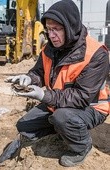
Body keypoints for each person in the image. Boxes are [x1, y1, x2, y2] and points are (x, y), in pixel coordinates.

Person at [6, 0, 109, 167]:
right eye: (48, 29)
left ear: (71, 26)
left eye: (56, 29)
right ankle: (61, 128)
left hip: (91, 107)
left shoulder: (96, 54)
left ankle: (82, 147)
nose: (51, 35)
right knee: (23, 126)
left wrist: (43, 95)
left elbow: (82, 97)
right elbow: (39, 72)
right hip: (58, 102)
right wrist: (30, 78)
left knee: (62, 117)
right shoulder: (50, 48)